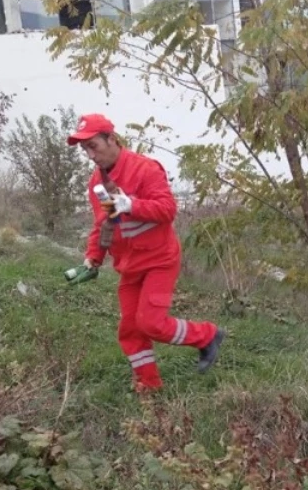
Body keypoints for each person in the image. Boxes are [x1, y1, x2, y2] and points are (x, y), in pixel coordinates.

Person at [68, 113, 225, 392]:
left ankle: (208, 336)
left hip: (159, 261)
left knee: (151, 323)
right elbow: (103, 224)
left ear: (112, 139)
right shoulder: (98, 184)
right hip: (129, 266)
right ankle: (149, 386)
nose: (91, 155)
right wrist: (93, 259)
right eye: (85, 150)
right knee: (130, 329)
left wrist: (132, 205)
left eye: (94, 146)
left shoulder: (145, 169)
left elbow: (167, 211)